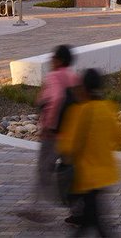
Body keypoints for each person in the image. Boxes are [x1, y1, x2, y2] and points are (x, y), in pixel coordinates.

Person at [57, 67, 121, 236]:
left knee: (93, 223)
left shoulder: (79, 111)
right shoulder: (108, 109)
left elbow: (67, 147)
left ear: (83, 88)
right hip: (105, 175)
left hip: (86, 177)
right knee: (93, 222)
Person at [17, 44, 81, 224]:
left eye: (53, 58)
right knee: (71, 173)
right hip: (71, 136)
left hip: (53, 136)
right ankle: (78, 212)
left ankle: (37, 208)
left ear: (58, 60)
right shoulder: (74, 78)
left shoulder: (53, 77)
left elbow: (56, 98)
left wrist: (50, 126)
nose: (51, 61)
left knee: (44, 171)